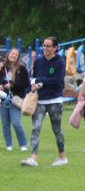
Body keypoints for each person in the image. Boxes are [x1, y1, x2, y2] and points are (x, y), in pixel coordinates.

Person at [22, 37, 68, 167]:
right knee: (35, 128)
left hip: (55, 100)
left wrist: (40, 81)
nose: (45, 48)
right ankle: (33, 158)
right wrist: (32, 85)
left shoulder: (60, 62)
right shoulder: (38, 61)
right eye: (44, 45)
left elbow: (58, 82)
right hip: (40, 100)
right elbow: (34, 78)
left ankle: (62, 157)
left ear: (55, 48)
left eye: (48, 46)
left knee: (57, 130)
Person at [0, 48, 30, 152]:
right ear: (8, 54)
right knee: (5, 124)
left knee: (16, 123)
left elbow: (26, 84)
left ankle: (23, 144)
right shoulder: (3, 68)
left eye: (16, 54)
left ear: (18, 57)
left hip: (16, 99)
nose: (14, 55)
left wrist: (12, 85)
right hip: (3, 98)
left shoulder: (22, 68)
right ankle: (9, 145)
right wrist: (1, 85)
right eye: (12, 53)